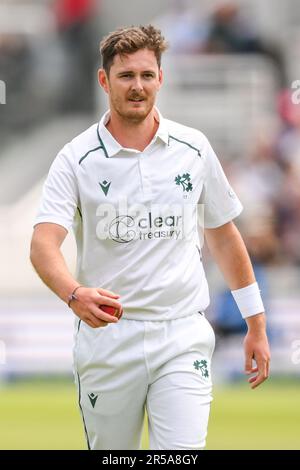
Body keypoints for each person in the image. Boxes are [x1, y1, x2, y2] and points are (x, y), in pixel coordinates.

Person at [30, 24, 270, 450]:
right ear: (104, 81)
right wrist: (73, 294)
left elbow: (223, 234)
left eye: (146, 75)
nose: (137, 86)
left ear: (161, 78)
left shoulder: (193, 148)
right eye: (126, 76)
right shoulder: (76, 158)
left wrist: (256, 322)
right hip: (108, 339)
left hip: (182, 334)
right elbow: (43, 244)